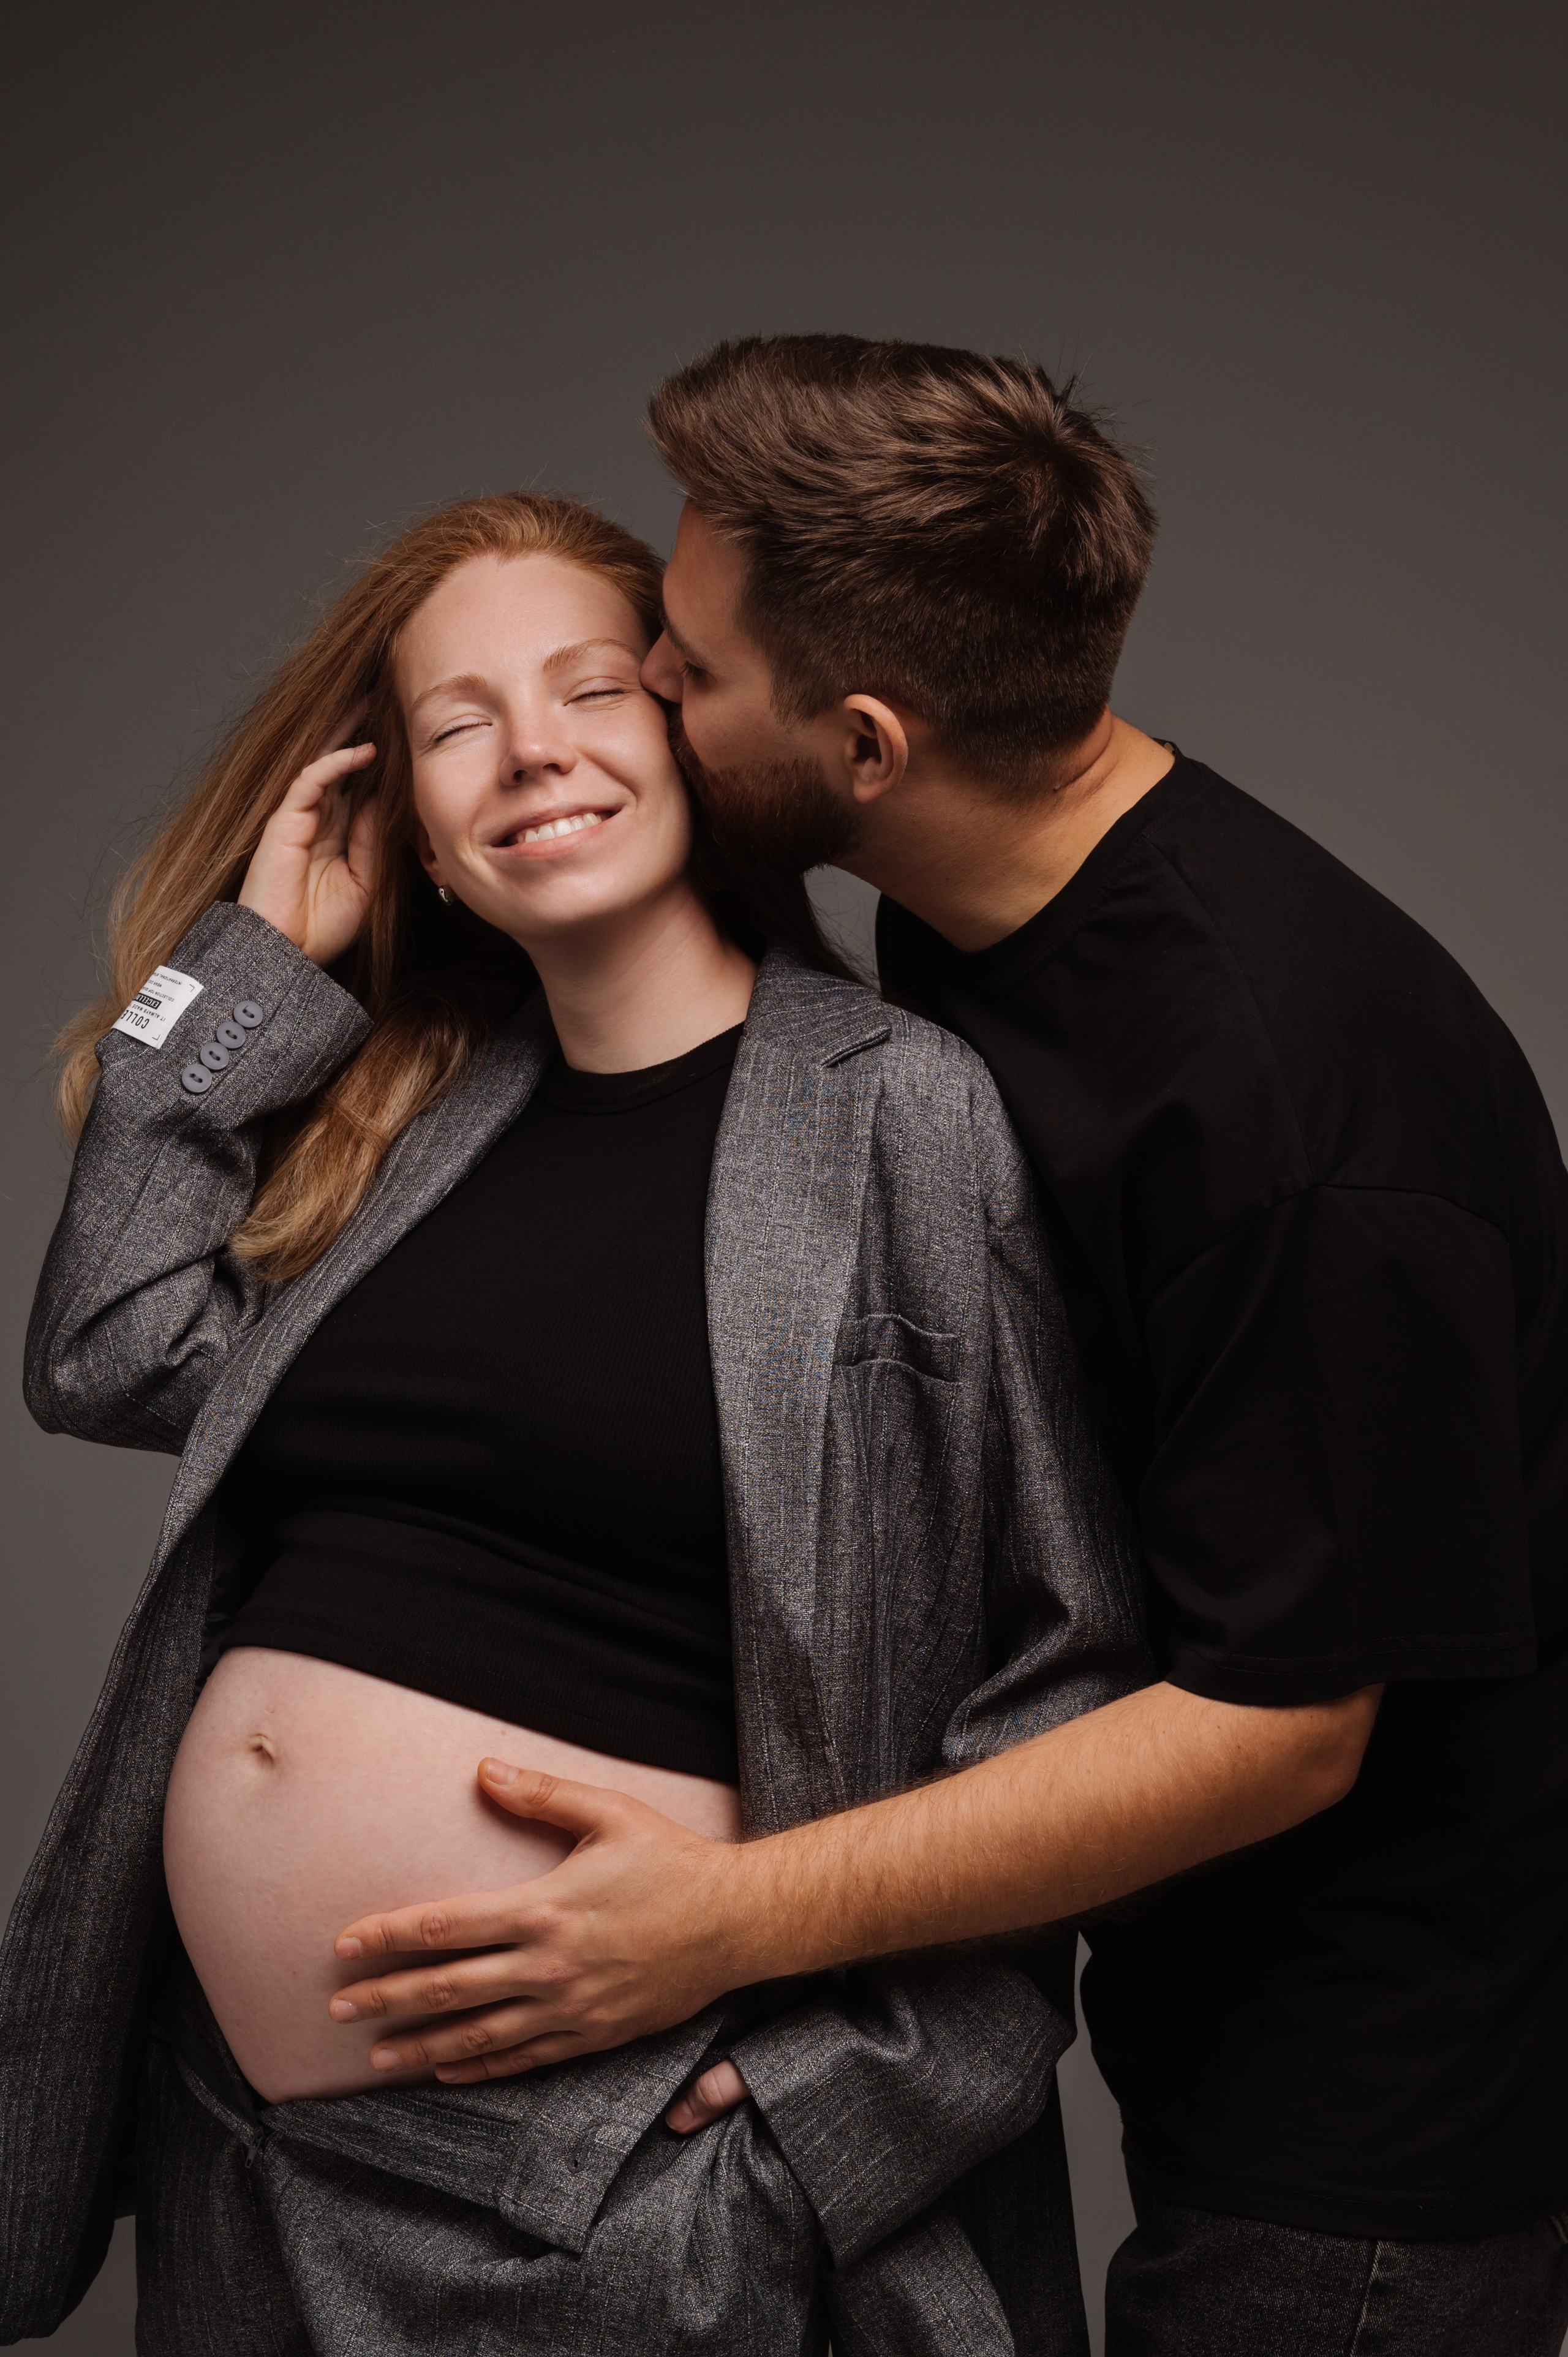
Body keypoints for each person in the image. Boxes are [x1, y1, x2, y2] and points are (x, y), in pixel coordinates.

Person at [340, 341, 1568, 2357]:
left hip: (1374, 2122)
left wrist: (719, 1918)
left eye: (693, 670)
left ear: (870, 741)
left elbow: (1289, 1720)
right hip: (1169, 2012)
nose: (649, 682)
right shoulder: (962, 914)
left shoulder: (1291, 1104)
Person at [5, 488, 1146, 2355]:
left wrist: (822, 2116)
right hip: (247, 2160)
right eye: (458, 722)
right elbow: (109, 1346)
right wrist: (244, 975)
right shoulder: (403, 1124)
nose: (532, 747)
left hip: (616, 2187)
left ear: (692, 730)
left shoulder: (896, 1117)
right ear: (419, 835)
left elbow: (1072, 1668)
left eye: (592, 688)